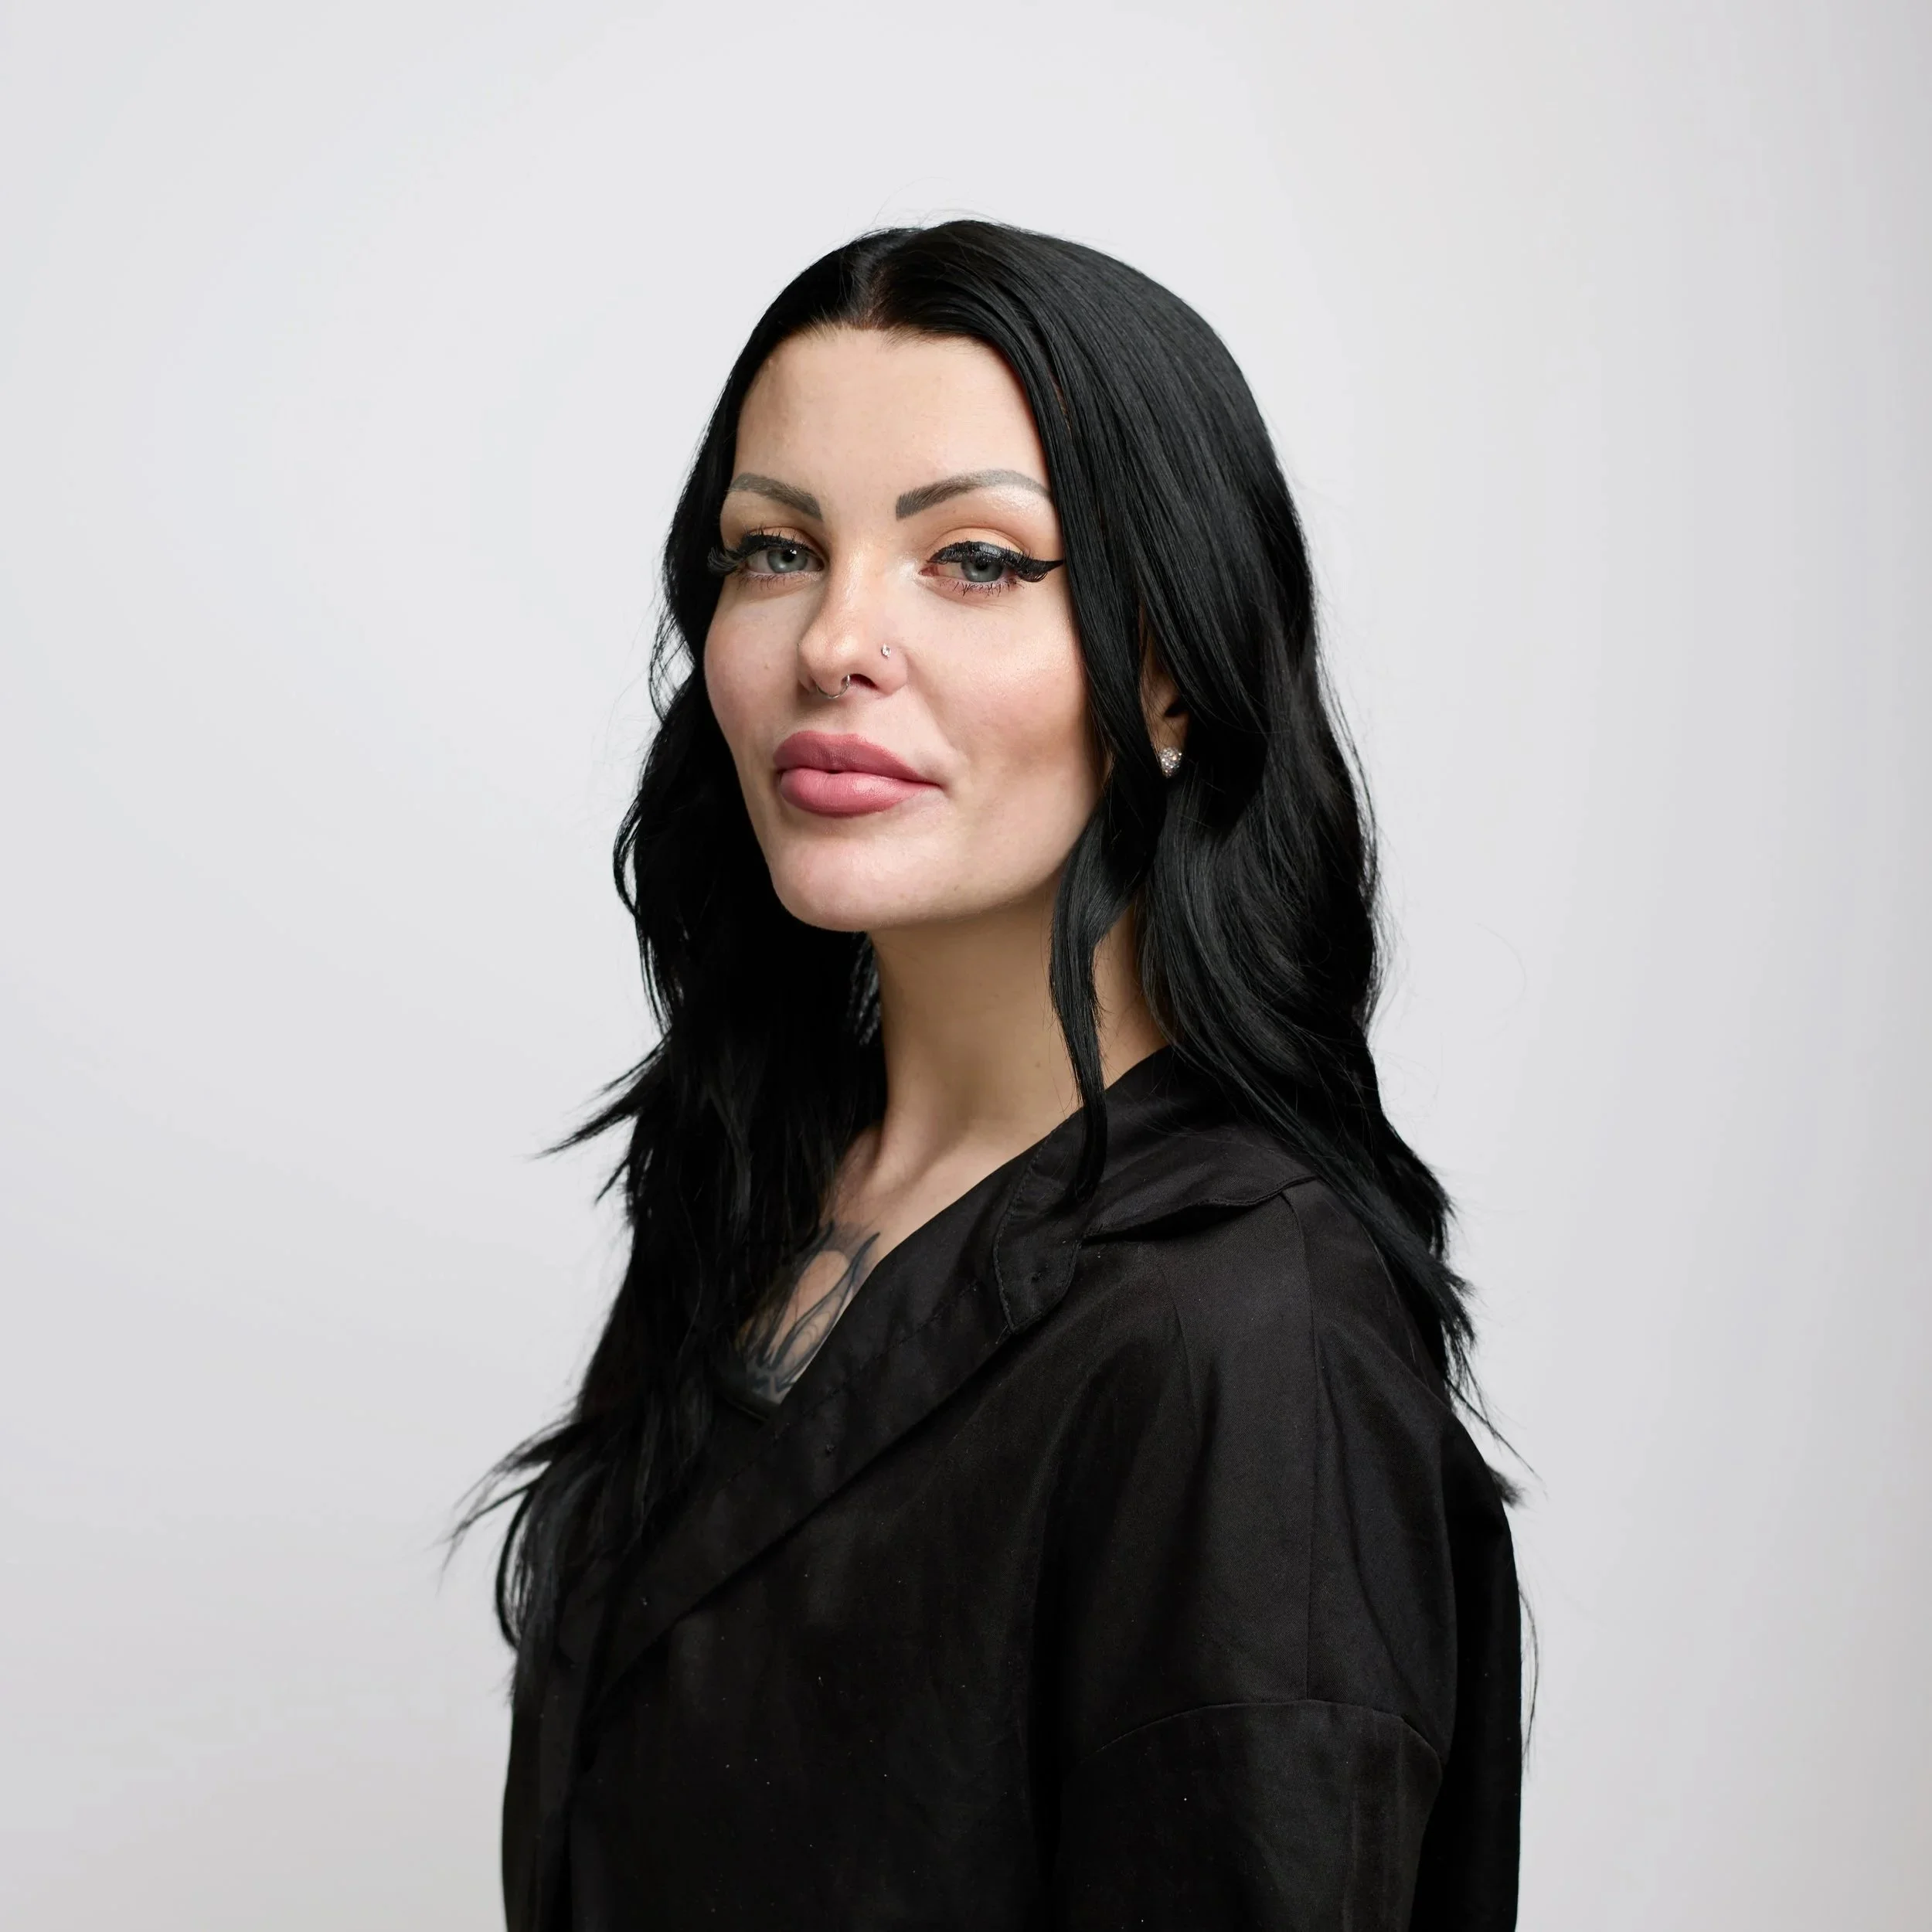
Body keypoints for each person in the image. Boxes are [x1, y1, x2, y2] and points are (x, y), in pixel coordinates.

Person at [477, 220, 1521, 1930]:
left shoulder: (1244, 1336)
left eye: (971, 557)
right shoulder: (768, 1178)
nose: (834, 640)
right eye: (772, 550)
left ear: (1173, 673)